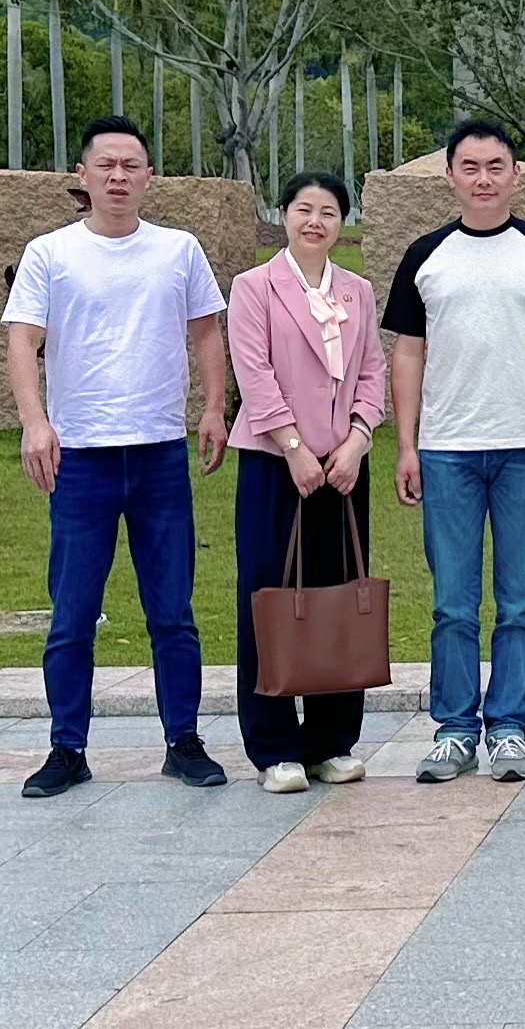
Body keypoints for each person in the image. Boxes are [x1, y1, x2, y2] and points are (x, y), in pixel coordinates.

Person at [4, 115, 230, 799]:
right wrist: (34, 422)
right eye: (106, 165)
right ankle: (66, 747)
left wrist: (215, 407)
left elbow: (206, 334)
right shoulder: (51, 254)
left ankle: (182, 740)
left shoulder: (178, 250)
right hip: (81, 456)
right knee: (72, 613)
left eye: (132, 166)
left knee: (173, 610)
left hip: (158, 452)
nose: (119, 177)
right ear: (82, 175)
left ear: (149, 176)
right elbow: (22, 339)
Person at [386, 118, 525, 784]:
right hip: (447, 451)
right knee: (451, 600)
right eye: (469, 166)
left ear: (515, 173)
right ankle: (452, 727)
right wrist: (408, 446)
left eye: (495, 165)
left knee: (518, 600)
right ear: (449, 174)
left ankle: (507, 724)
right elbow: (408, 354)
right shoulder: (425, 256)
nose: (483, 178)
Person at [225, 171, 386, 793]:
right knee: (271, 595)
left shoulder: (358, 292)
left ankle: (331, 741)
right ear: (284, 215)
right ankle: (273, 746)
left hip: (344, 465)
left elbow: (370, 370)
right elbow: (255, 372)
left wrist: (358, 439)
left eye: (328, 211)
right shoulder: (254, 287)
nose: (315, 221)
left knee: (338, 596)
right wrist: (292, 446)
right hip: (275, 462)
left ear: (342, 223)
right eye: (303, 209)